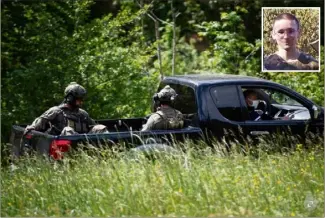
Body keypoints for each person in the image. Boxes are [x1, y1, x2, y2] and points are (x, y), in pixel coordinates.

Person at [24, 82, 108, 136]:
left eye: (82, 99)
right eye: (79, 99)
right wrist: (32, 127)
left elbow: (93, 125)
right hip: (61, 146)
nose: (81, 102)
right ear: (70, 98)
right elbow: (40, 121)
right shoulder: (56, 111)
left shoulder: (83, 114)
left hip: (84, 143)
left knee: (100, 128)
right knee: (68, 130)